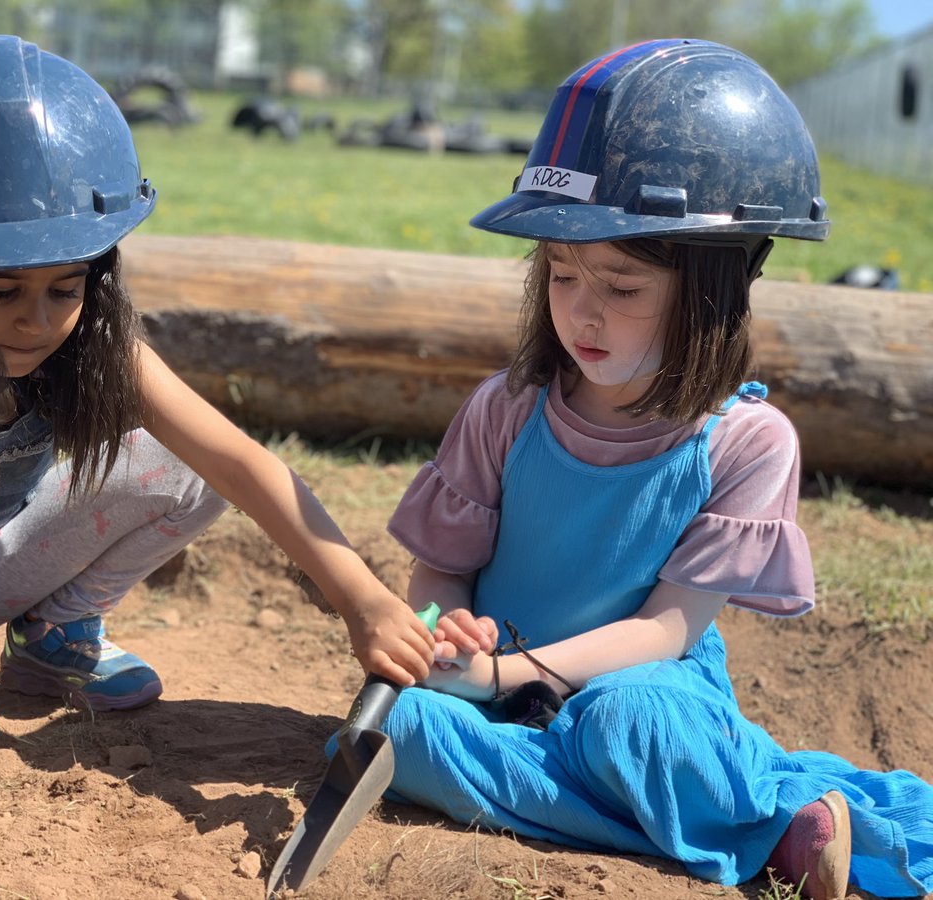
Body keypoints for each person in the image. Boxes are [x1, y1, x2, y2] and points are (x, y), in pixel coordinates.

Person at [0, 35, 433, 758]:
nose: (36, 320)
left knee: (187, 459)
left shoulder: (92, 343)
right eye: (2, 290)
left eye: (65, 289)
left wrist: (363, 599)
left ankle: (56, 636)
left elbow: (240, 464)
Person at [370, 39, 933, 900]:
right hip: (496, 699)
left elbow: (668, 632)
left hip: (636, 693)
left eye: (623, 288)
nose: (582, 312)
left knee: (631, 722)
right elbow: (442, 568)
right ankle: (759, 828)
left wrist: (500, 674)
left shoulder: (749, 441)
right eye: (561, 275)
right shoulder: (507, 406)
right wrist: (447, 635)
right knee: (399, 726)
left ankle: (737, 807)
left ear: (712, 288)